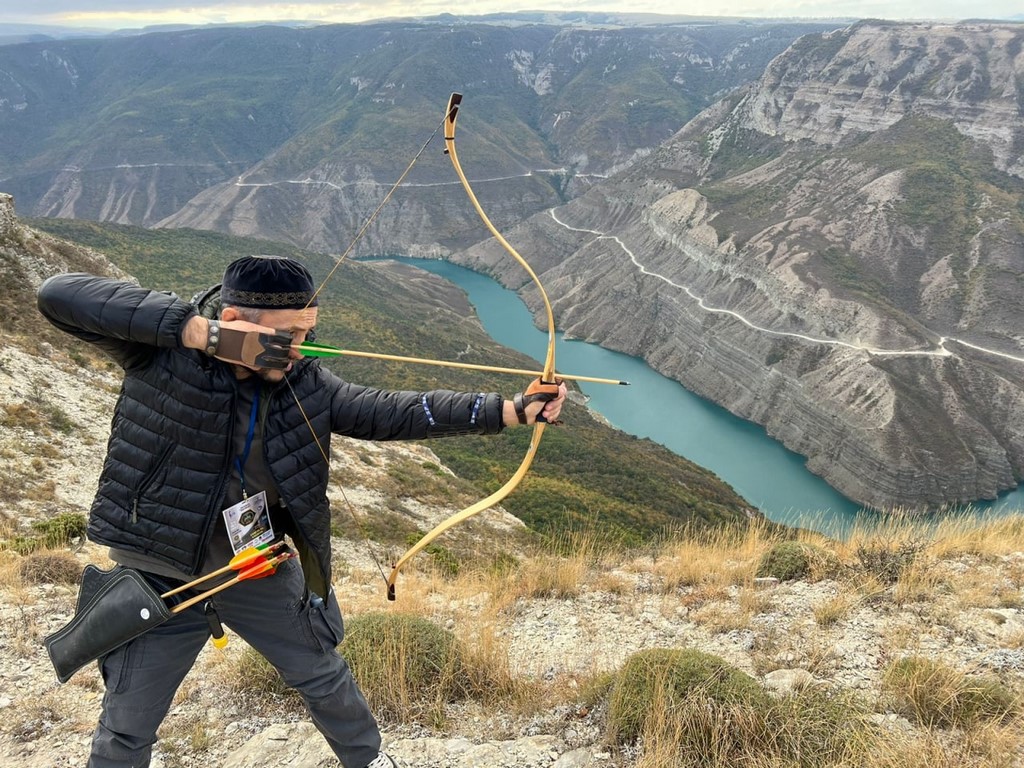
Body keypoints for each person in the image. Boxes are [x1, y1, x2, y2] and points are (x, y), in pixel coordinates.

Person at [37, 254, 566, 768]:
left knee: (323, 675)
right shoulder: (160, 355)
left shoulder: (305, 381)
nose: (297, 348)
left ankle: (370, 759)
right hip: (158, 570)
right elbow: (57, 295)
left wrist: (513, 410)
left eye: (306, 333)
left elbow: (395, 411)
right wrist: (201, 335)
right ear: (233, 321)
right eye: (285, 336)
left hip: (253, 562)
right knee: (127, 725)